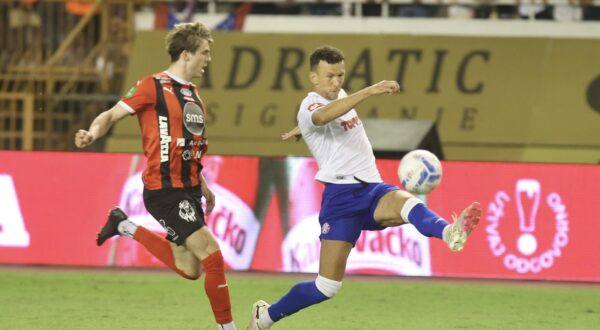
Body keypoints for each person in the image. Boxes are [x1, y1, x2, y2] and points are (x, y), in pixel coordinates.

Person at [247, 45, 482, 330]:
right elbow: (319, 117)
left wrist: (304, 129)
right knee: (327, 286)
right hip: (341, 200)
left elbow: (328, 117)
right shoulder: (309, 105)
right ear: (314, 78)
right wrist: (369, 91)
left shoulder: (340, 97)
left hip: (372, 189)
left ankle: (450, 232)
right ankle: (267, 317)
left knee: (406, 203)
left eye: (341, 76)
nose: (336, 83)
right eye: (330, 76)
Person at [74, 22, 237, 330]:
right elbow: (111, 114)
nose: (208, 58)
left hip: (189, 188)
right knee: (212, 257)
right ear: (187, 55)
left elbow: (189, 145)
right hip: (164, 191)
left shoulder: (193, 93)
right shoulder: (152, 85)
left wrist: (203, 186)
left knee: (191, 269)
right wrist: (92, 133)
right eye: (205, 52)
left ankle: (124, 225)